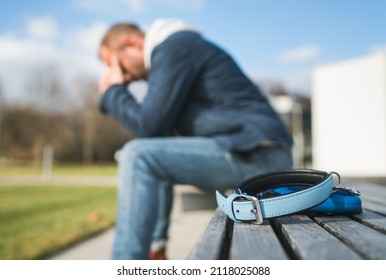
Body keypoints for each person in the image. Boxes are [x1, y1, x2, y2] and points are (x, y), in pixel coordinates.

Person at [98, 18, 293, 260]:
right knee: (148, 153)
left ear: (131, 43)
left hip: (260, 153)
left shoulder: (173, 46)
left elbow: (147, 124)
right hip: (247, 151)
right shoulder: (175, 51)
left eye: (119, 67)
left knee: (136, 155)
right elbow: (157, 135)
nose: (125, 78)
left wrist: (113, 90)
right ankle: (154, 252)